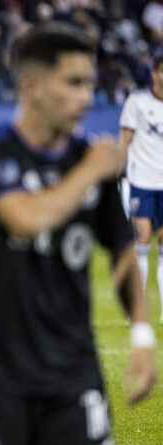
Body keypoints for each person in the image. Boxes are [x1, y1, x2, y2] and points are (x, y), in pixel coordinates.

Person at [0, 24, 156, 445]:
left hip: (73, 361)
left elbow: (123, 251)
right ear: (32, 86)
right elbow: (23, 219)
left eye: (90, 83)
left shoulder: (90, 158)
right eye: (74, 83)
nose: (87, 97)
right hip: (0, 361)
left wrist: (143, 335)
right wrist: (92, 170)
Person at [119, 52, 163, 323]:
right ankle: (137, 307)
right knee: (142, 238)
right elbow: (124, 139)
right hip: (142, 180)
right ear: (153, 73)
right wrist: (118, 169)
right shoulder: (137, 102)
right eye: (161, 70)